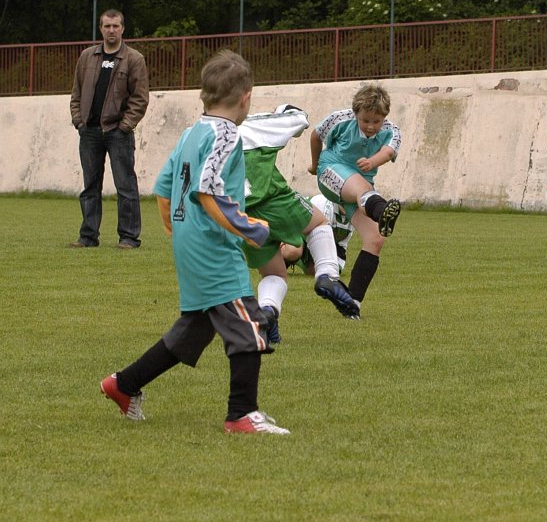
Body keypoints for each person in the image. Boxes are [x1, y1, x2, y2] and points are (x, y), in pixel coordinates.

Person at [100, 50, 289, 434]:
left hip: (191, 242)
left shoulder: (192, 133)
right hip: (214, 246)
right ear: (246, 98)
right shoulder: (227, 134)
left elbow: (164, 187)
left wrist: (177, 229)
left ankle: (124, 384)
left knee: (196, 328)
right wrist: (252, 228)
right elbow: (208, 189)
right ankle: (242, 414)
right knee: (249, 324)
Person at [239, 106, 360, 338]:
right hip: (273, 200)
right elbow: (299, 117)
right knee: (319, 223)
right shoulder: (255, 124)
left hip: (241, 215)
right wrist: (280, 114)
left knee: (274, 275)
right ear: (243, 99)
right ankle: (327, 276)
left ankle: (267, 313)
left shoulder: (204, 134)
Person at [308, 83, 401, 317]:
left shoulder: (392, 130)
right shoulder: (340, 119)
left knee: (375, 239)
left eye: (376, 121)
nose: (371, 126)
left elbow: (388, 152)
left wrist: (372, 162)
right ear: (356, 113)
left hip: (362, 189)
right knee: (362, 189)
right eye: (366, 120)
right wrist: (315, 164)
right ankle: (382, 211)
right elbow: (316, 135)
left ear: (385, 117)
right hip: (332, 170)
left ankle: (352, 302)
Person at [69, 9, 149, 249]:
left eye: (115, 26)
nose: (111, 30)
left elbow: (140, 99)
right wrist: (79, 121)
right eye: (107, 26)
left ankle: (129, 237)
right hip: (89, 132)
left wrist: (125, 126)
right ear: (100, 29)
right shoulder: (87, 56)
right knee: (90, 187)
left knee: (126, 186)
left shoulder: (134, 59)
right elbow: (76, 93)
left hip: (118, 132)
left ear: (123, 28)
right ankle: (88, 236)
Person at [281, 194, 355, 276]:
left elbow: (341, 245)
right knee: (293, 251)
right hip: (295, 225)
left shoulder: (354, 217)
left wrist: (337, 266)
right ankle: (277, 253)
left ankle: (299, 259)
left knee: (321, 271)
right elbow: (320, 239)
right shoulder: (326, 207)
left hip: (312, 235)